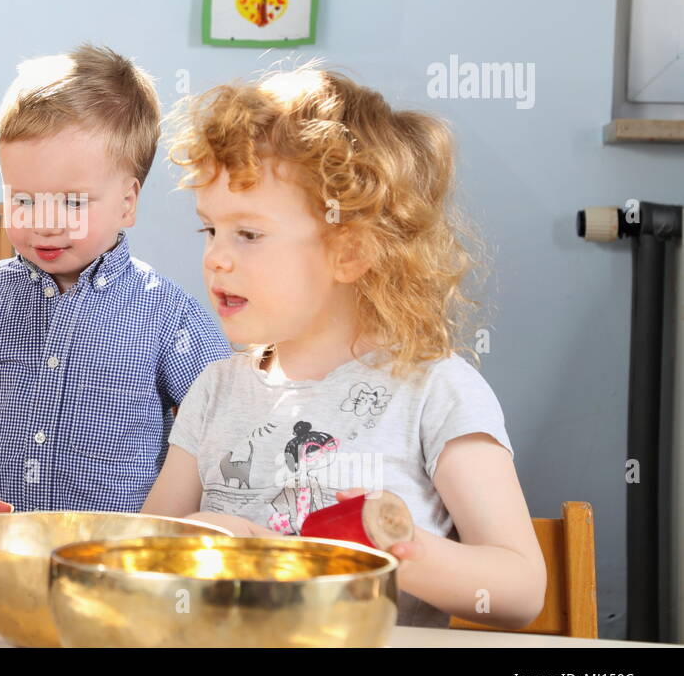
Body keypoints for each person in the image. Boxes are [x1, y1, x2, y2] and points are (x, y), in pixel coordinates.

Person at [142, 65, 547, 628]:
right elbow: (145, 554)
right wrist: (194, 547)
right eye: (210, 230)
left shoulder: (435, 391)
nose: (216, 257)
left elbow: (519, 589)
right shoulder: (214, 390)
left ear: (350, 252)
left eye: (249, 234)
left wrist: (397, 550)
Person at [0, 44, 232, 513]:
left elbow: (216, 416)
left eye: (72, 202)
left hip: (118, 558)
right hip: (2, 545)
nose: (45, 222)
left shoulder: (166, 315)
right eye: (23, 200)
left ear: (127, 203)